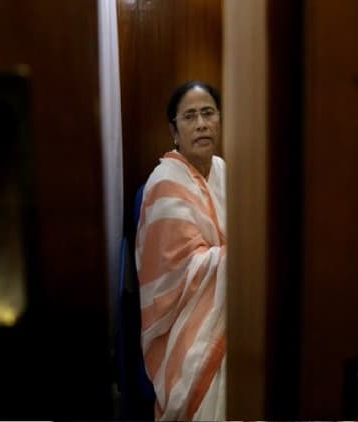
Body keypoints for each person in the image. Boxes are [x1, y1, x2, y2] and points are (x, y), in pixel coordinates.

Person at [135, 81, 227, 421]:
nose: (201, 124)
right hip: (183, 320)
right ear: (174, 132)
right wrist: (240, 260)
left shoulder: (224, 171)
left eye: (208, 113)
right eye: (189, 117)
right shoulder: (164, 182)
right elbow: (181, 273)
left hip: (226, 301)